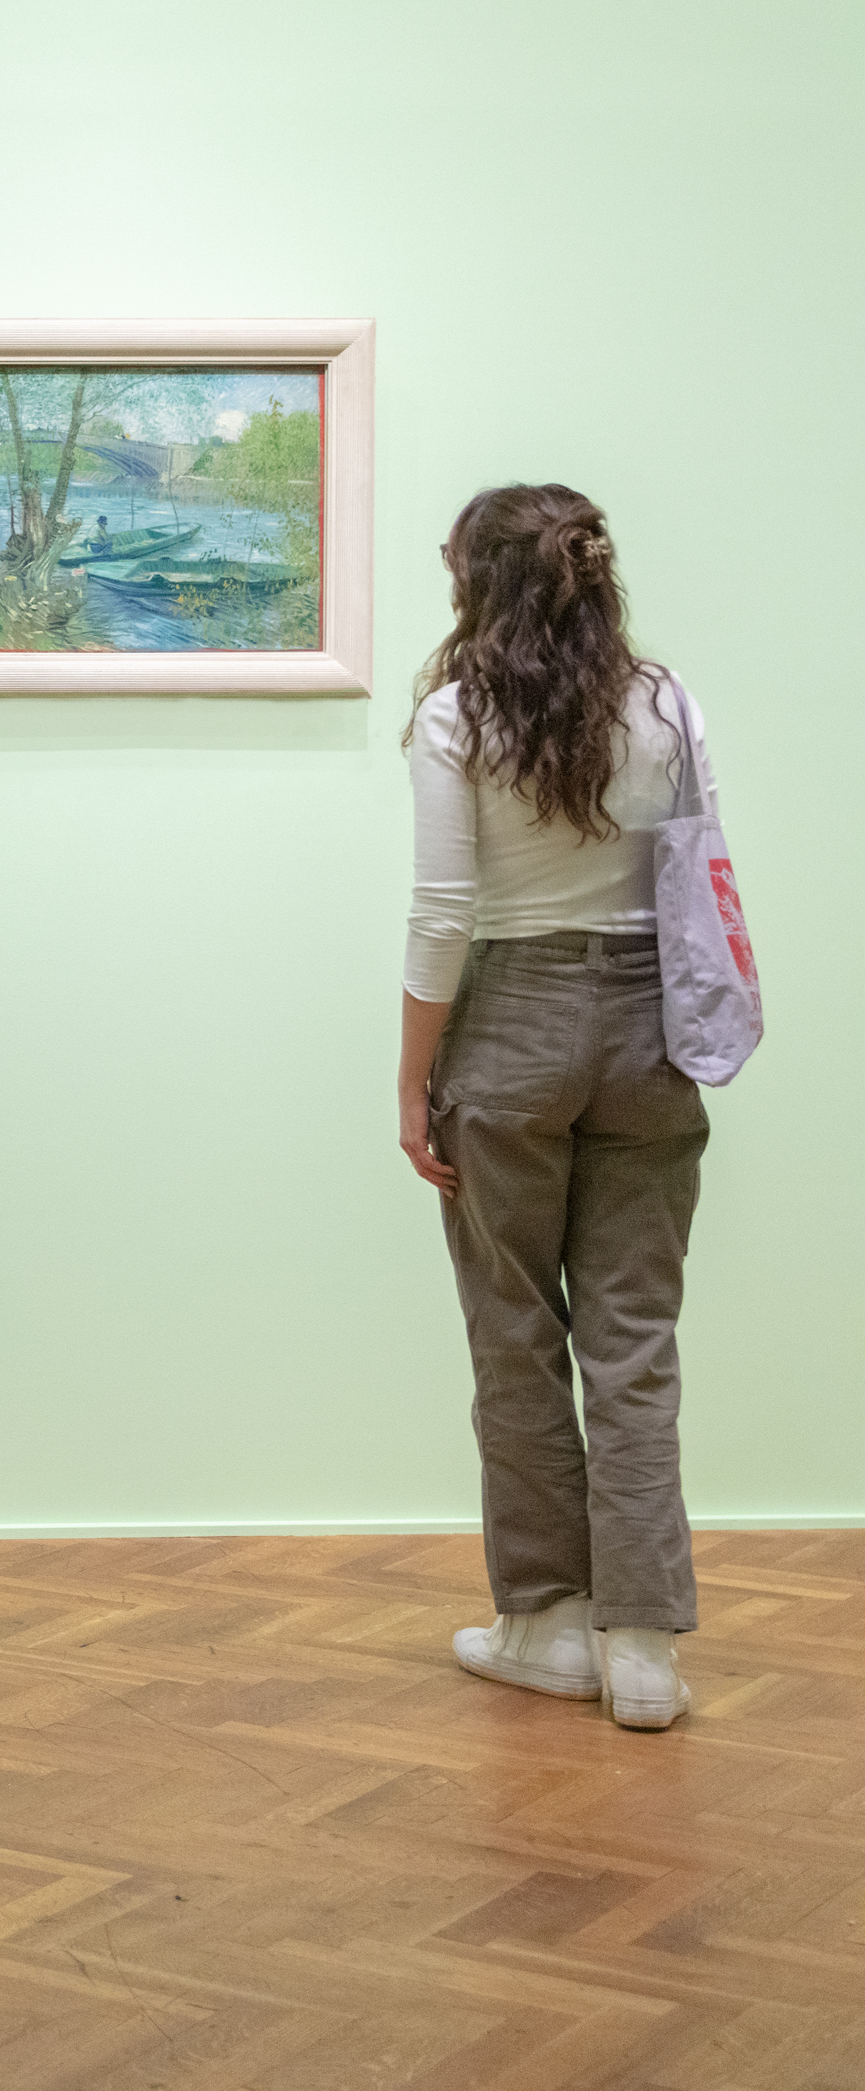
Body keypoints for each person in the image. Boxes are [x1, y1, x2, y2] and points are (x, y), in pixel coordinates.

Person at [398, 485, 710, 1732]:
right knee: (634, 1339)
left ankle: (547, 1626)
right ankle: (644, 1652)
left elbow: (442, 917)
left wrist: (413, 1081)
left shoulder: (453, 717)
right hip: (650, 1031)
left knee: (515, 1332)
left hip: (513, 1026)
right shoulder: (663, 701)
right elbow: (695, 878)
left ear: (479, 578)